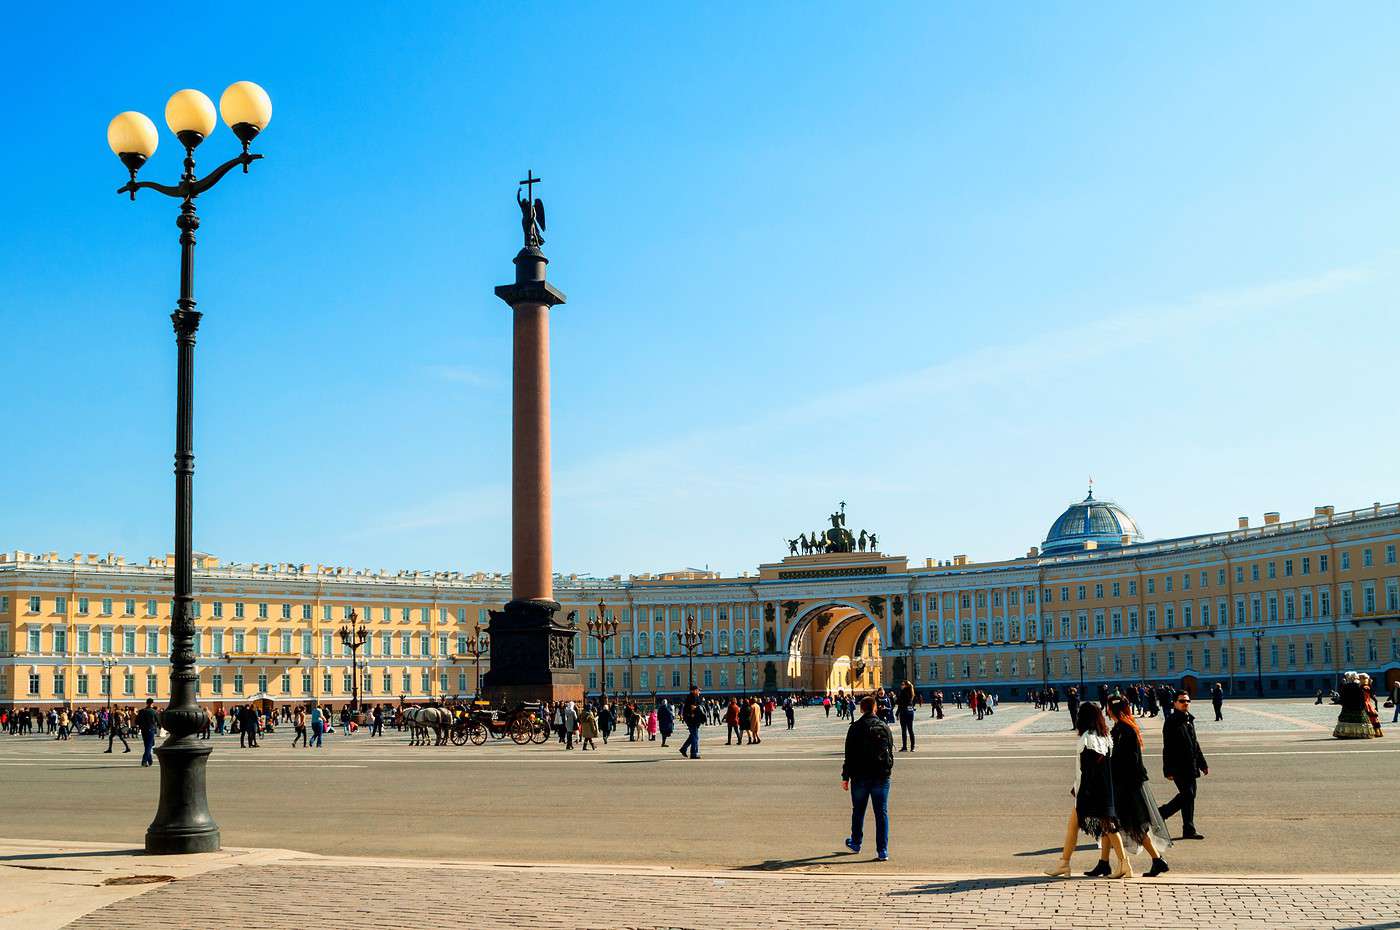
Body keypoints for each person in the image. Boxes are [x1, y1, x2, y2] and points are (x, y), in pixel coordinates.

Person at [1045, 702, 1131, 879]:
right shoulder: (1104, 737)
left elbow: (1088, 769)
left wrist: (1081, 790)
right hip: (1103, 789)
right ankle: (1064, 863)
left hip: (1091, 792)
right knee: (1075, 826)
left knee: (1109, 828)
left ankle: (1124, 864)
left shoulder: (1087, 739)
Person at [1098, 697, 1172, 877]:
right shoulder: (1124, 727)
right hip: (1126, 783)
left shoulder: (1124, 729)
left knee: (1132, 825)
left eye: (1108, 709)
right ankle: (1104, 863)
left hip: (1127, 785)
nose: (1106, 711)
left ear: (1112, 710)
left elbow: (1128, 760)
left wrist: (1109, 767)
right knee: (1110, 823)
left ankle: (1157, 860)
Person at [841, 695, 893, 862]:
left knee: (858, 811)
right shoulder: (884, 726)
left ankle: (856, 842)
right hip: (881, 776)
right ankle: (882, 851)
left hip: (860, 776)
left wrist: (845, 777)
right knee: (881, 813)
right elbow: (890, 752)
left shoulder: (855, 727)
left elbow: (848, 755)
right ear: (875, 708)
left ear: (861, 709)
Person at [1158, 691, 1208, 839]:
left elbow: (1195, 743)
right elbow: (1167, 747)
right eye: (1182, 701)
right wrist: (1167, 769)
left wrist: (1202, 763)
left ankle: (1189, 829)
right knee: (1188, 795)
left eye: (1187, 701)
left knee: (1190, 798)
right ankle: (1162, 813)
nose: (1185, 703)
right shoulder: (1171, 722)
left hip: (1191, 765)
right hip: (1178, 767)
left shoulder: (1188, 720)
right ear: (1174, 703)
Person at [679, 686, 704, 759]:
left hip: (692, 719)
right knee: (695, 737)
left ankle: (683, 748)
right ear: (694, 690)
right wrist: (697, 708)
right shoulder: (692, 697)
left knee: (693, 736)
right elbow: (693, 707)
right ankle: (693, 753)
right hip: (692, 720)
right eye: (698, 690)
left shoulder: (693, 697)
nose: (699, 692)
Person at [136, 698, 160, 767]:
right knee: (149, 746)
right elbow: (158, 721)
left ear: (146, 703)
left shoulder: (141, 711)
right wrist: (159, 726)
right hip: (151, 729)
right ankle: (144, 761)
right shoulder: (154, 712)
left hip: (143, 730)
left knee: (147, 745)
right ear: (152, 703)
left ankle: (150, 761)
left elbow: (136, 721)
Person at [896, 680, 917, 752]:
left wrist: (896, 698)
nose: (901, 686)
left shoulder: (903, 692)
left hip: (904, 712)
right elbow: (913, 703)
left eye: (902, 684)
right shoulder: (912, 692)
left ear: (906, 685)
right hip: (910, 712)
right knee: (910, 730)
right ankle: (912, 747)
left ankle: (904, 747)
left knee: (904, 730)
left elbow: (898, 702)